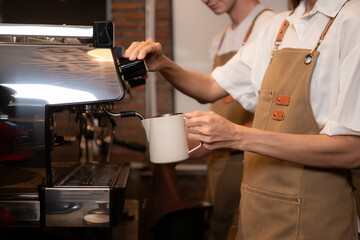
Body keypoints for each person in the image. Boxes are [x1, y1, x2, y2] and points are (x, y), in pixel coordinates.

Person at [124, 0, 360, 239]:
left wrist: (236, 135)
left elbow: (352, 149)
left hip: (314, 218)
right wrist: (163, 64)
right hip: (255, 209)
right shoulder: (282, 25)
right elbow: (211, 86)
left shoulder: (353, 19)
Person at [195, 1, 274, 239]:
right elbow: (211, 92)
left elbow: (274, 108)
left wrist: (228, 134)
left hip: (251, 158)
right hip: (216, 157)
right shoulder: (219, 39)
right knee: (218, 223)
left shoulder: (269, 26)